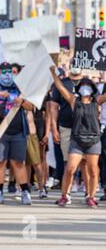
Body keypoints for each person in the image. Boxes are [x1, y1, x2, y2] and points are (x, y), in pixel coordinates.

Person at [50, 67, 105, 208]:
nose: (85, 88)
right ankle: (64, 196)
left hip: (93, 140)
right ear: (79, 89)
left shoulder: (97, 101)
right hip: (77, 140)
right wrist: (53, 73)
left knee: (93, 170)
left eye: (88, 86)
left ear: (92, 89)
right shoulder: (74, 101)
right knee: (70, 168)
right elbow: (60, 88)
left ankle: (91, 197)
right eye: (83, 86)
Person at [0, 62, 34, 206]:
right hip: (0, 132)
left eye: (10, 72)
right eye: (4, 72)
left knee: (18, 163)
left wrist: (22, 101)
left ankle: (25, 191)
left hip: (18, 132)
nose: (7, 74)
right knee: (0, 162)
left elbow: (31, 107)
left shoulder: (20, 87)